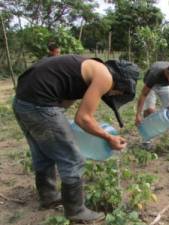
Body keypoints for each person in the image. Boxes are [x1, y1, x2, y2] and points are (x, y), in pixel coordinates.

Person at [13, 55, 139, 223]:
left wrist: (62, 127)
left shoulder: (87, 67)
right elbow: (83, 118)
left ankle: (48, 196)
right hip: (39, 104)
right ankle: (76, 211)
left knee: (43, 152)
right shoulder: (105, 77)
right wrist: (108, 137)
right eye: (119, 92)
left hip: (21, 102)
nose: (114, 94)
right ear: (122, 84)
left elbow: (64, 103)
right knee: (73, 158)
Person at [135, 61, 169, 151]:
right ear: (168, 73)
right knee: (149, 111)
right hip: (152, 86)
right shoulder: (154, 74)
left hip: (165, 87)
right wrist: (138, 114)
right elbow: (143, 94)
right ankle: (146, 141)